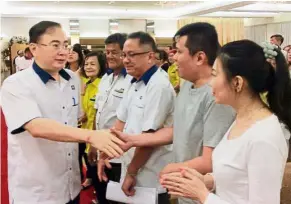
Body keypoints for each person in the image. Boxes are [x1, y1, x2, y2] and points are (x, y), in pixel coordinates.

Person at [1, 21, 124, 204]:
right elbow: (36, 126)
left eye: (65, 45)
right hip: (37, 190)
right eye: (55, 45)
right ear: (34, 48)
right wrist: (91, 136)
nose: (63, 51)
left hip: (70, 184)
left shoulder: (72, 81)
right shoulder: (16, 84)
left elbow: (74, 121)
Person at [111, 23, 235, 204]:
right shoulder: (188, 86)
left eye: (178, 52)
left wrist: (173, 168)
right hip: (185, 190)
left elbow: (210, 160)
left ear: (199, 57)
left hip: (206, 194)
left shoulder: (215, 96)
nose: (173, 58)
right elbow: (178, 129)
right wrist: (135, 140)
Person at [160, 40, 290, 204]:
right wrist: (207, 181)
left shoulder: (264, 136)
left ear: (237, 82)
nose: (210, 83)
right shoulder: (242, 120)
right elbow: (238, 175)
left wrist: (203, 195)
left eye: (214, 75)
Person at [107, 31, 175, 204]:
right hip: (131, 166)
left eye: (132, 55)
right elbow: (120, 122)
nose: (126, 60)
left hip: (150, 174)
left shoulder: (158, 86)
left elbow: (148, 138)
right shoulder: (134, 81)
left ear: (150, 56)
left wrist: (132, 172)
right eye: (124, 55)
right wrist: (105, 154)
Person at [91, 33, 130, 204]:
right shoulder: (106, 78)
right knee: (101, 194)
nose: (110, 56)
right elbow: (98, 112)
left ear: (125, 53)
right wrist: (93, 143)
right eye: (107, 52)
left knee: (117, 198)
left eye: (114, 52)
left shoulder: (131, 81)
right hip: (100, 148)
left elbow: (128, 120)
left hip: (118, 153)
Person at [78, 51, 107, 191]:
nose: (88, 67)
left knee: (101, 176)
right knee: (92, 169)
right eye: (86, 64)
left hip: (99, 138)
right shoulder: (87, 84)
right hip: (86, 135)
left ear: (101, 66)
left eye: (92, 64)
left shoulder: (103, 85)